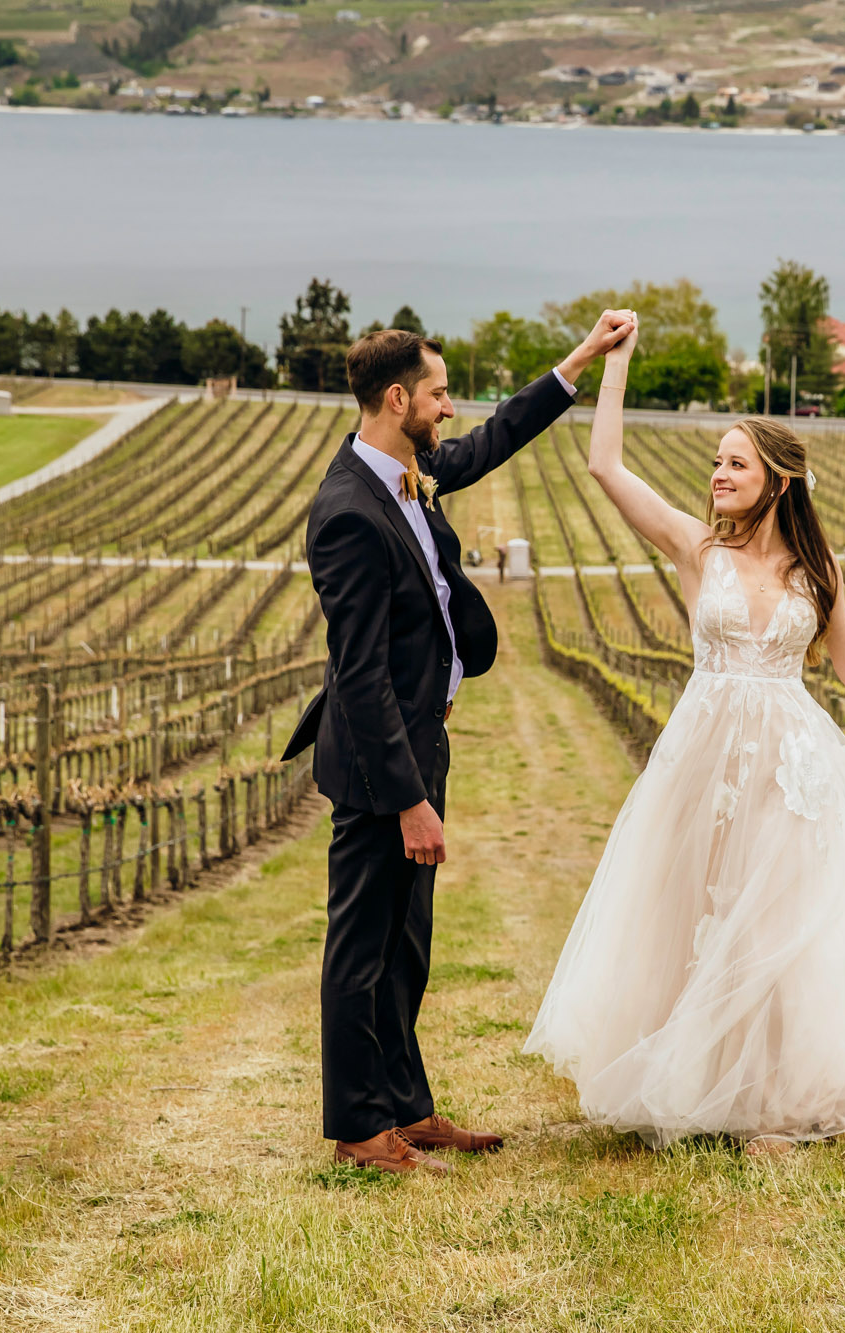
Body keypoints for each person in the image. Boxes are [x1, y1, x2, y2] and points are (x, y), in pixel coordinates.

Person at [523, 314, 845, 1155]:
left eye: (735, 462)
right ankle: (691, 1081)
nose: (718, 475)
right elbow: (604, 465)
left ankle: (771, 1099)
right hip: (706, 752)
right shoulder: (699, 549)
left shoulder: (818, 572)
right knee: (696, 905)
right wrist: (615, 364)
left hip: (792, 757)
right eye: (716, 462)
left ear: (778, 478)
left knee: (777, 919)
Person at [284, 312, 633, 1175]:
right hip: (379, 762)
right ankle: (358, 1129)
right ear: (396, 398)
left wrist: (579, 360)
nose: (450, 409)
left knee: (406, 944)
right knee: (360, 948)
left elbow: (490, 444)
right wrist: (409, 799)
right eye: (439, 394)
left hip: (421, 740)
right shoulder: (348, 513)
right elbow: (360, 678)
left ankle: (407, 1107)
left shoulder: (406, 470)